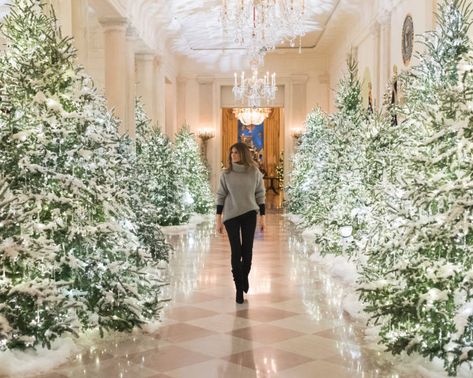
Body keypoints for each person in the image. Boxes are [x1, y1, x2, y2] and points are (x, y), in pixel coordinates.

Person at [216, 142, 266, 304]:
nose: (233, 155)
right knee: (236, 252)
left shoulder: (254, 172)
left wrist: (263, 218)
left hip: (249, 214)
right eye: (232, 153)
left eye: (236, 152)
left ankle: (244, 276)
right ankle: (239, 288)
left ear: (243, 154)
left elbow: (260, 194)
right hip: (231, 216)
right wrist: (218, 219)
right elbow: (221, 196)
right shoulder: (226, 174)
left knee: (248, 251)